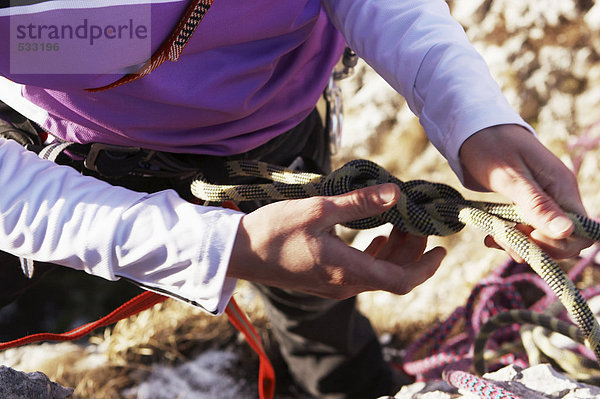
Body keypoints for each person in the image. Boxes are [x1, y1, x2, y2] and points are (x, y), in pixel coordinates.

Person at [0, 0, 590, 397]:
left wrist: (473, 117)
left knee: (317, 314)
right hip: (43, 143)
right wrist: (217, 247)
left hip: (265, 138)